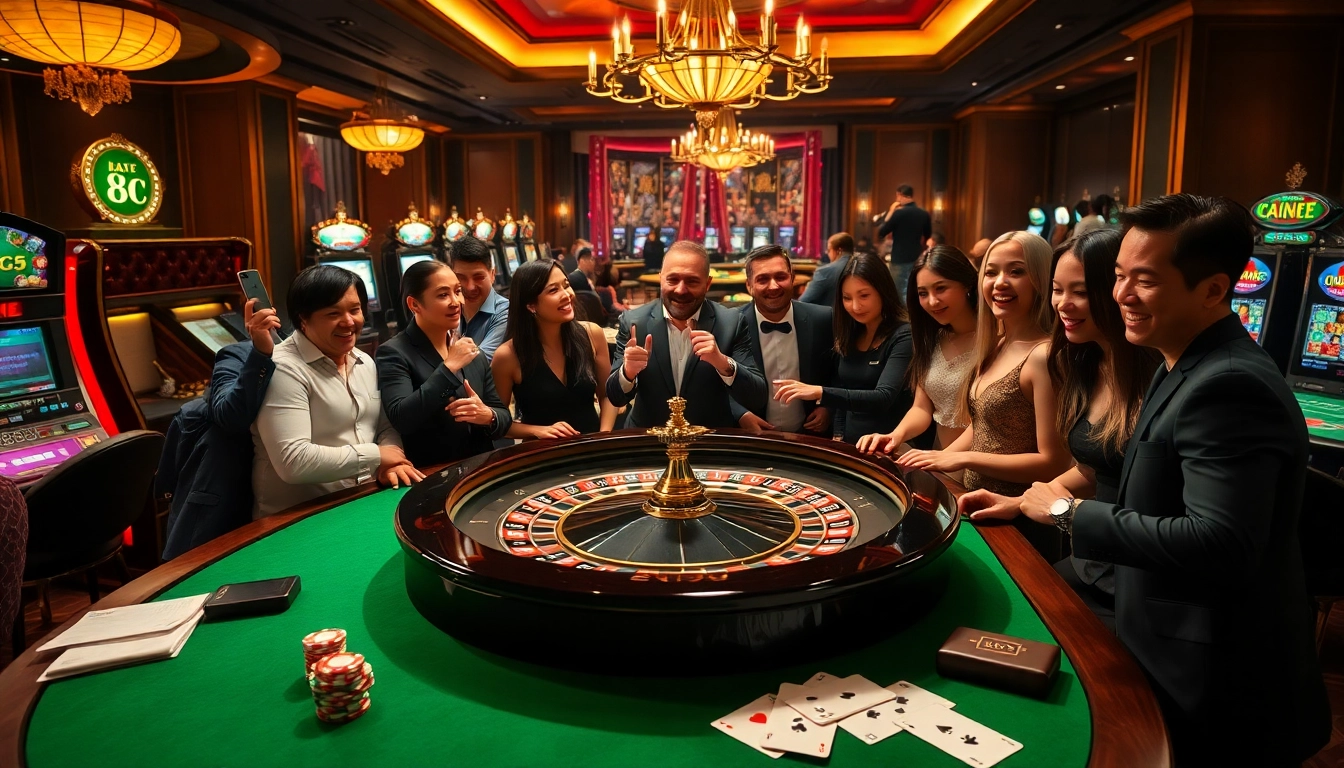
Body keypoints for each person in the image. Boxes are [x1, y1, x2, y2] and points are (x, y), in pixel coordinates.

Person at [1013, 194, 1330, 766]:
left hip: (1215, 683)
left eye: (1145, 281)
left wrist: (1065, 514)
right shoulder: (1177, 360)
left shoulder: (1229, 385)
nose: (1121, 297)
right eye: (1117, 277)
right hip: (1168, 643)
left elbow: (1221, 543)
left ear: (1213, 289)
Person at [958, 230, 1159, 629]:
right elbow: (1091, 468)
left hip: (1141, 581)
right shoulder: (1085, 361)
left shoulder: (1155, 373)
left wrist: (1056, 508)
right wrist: (1016, 503)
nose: (1064, 305)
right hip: (1092, 560)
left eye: (1080, 292)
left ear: (1113, 292)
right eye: (1057, 290)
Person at [898, 231, 1071, 558]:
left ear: (1042, 279)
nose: (1000, 282)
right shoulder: (998, 342)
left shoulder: (1044, 354)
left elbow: (1053, 462)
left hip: (1019, 515)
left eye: (1016, 271)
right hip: (976, 499)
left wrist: (959, 457)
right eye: (991, 272)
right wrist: (940, 458)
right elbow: (985, 425)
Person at [253, 266, 421, 518]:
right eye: (333, 313)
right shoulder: (284, 368)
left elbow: (385, 427)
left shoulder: (364, 360)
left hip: (359, 500)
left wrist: (390, 463)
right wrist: (376, 456)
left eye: (355, 310)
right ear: (303, 319)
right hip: (296, 519)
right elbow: (293, 462)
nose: (349, 322)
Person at [160, 299, 280, 559]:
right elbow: (230, 416)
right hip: (226, 511)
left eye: (354, 310)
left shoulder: (354, 362)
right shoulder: (237, 354)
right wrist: (261, 350)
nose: (347, 322)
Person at [607, 240, 767, 429]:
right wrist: (628, 372)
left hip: (708, 443)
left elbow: (757, 397)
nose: (681, 290)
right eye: (673, 279)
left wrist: (722, 362)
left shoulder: (732, 322)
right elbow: (615, 398)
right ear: (661, 279)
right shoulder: (634, 322)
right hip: (649, 443)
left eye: (692, 281)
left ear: (707, 284)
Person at [376, 261, 512, 467]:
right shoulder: (394, 352)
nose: (456, 301)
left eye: (457, 292)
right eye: (442, 295)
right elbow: (402, 418)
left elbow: (503, 417)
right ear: (414, 304)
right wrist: (449, 368)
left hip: (481, 468)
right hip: (432, 474)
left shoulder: (471, 350)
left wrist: (488, 416)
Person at [777, 252, 912, 444]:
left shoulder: (903, 335)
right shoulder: (852, 331)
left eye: (864, 295)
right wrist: (838, 435)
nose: (855, 306)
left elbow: (883, 397)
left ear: (883, 291)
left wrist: (820, 392)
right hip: (852, 444)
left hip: (889, 443)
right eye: (847, 298)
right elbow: (843, 387)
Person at [857, 245, 978, 456]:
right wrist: (895, 436)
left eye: (941, 288)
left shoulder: (996, 339)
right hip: (940, 457)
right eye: (923, 293)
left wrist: (945, 457)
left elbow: (986, 422)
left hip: (977, 461)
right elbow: (922, 409)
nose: (932, 301)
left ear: (967, 284)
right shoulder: (931, 339)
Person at [493, 259, 617, 437]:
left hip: (591, 449)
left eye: (566, 285)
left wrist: (603, 436)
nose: (567, 294)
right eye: (553, 290)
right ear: (531, 305)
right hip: (542, 455)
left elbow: (607, 396)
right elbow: (498, 423)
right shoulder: (507, 356)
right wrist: (538, 430)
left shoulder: (592, 334)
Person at [729, 245, 834, 435]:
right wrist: (741, 415)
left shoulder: (823, 319)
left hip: (811, 439)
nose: (774, 286)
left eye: (780, 277)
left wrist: (828, 407)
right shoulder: (730, 324)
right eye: (762, 279)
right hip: (751, 438)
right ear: (749, 286)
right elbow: (716, 383)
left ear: (792, 278)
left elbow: (838, 373)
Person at [451, 236, 509, 361]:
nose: (470, 287)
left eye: (478, 277)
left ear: (492, 275)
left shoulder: (506, 312)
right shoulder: (450, 307)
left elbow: (479, 365)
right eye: (461, 277)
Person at [876, 184, 932, 293]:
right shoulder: (923, 214)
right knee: (914, 290)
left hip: (899, 258)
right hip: (916, 257)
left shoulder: (898, 213)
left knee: (896, 291)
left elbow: (882, 232)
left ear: (900, 195)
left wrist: (891, 211)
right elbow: (927, 235)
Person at [799, 232, 853, 307]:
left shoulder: (824, 272)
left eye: (829, 250)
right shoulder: (859, 266)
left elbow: (803, 302)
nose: (827, 253)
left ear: (839, 251)